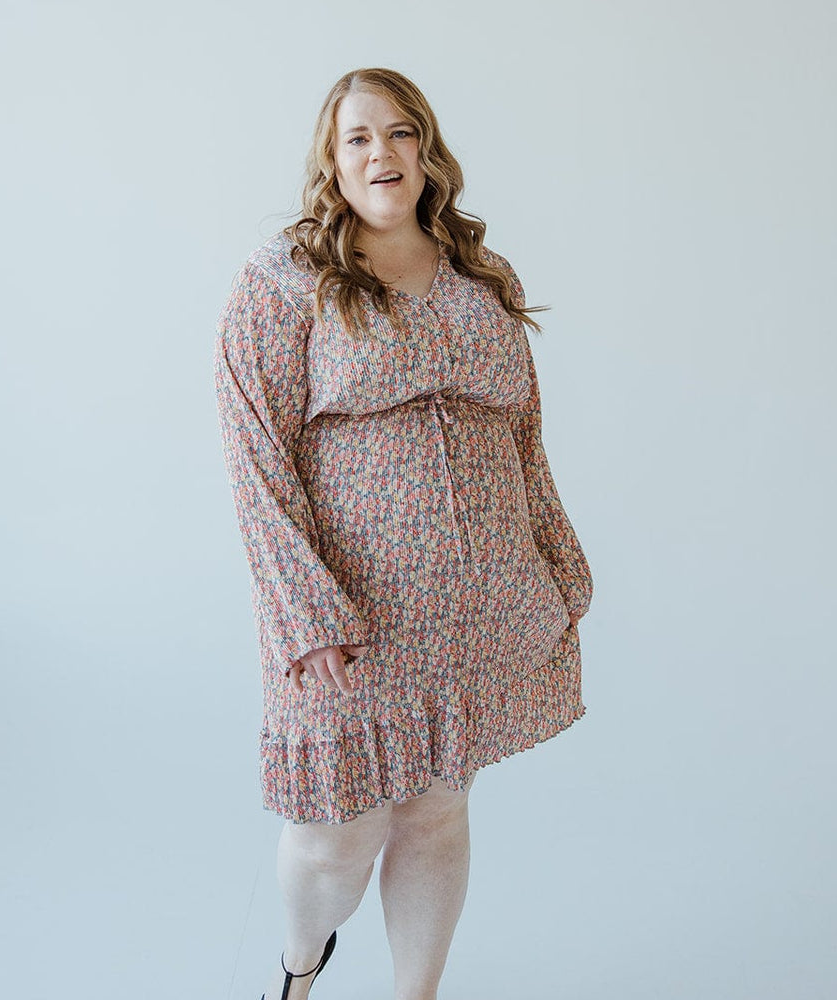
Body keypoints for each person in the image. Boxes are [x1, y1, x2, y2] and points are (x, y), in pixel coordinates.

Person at [214, 67, 593, 1000]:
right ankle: (298, 970)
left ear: (427, 149)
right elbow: (254, 453)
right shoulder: (286, 281)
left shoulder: (481, 277)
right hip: (351, 609)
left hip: (480, 599)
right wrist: (305, 606)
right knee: (334, 837)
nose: (381, 153)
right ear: (331, 162)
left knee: (436, 811)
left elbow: (524, 433)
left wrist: (558, 565)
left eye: (399, 133)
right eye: (357, 138)